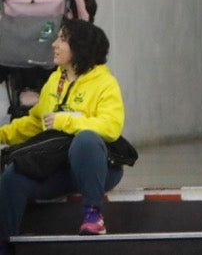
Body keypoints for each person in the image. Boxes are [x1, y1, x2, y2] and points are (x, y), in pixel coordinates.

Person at [0, 20, 123, 242]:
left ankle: (93, 216)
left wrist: (65, 120)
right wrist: (2, 134)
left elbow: (111, 127)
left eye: (62, 39)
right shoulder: (55, 80)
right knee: (13, 177)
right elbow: (37, 123)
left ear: (79, 47)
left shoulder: (105, 82)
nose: (54, 44)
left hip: (98, 169)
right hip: (61, 169)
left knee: (85, 140)